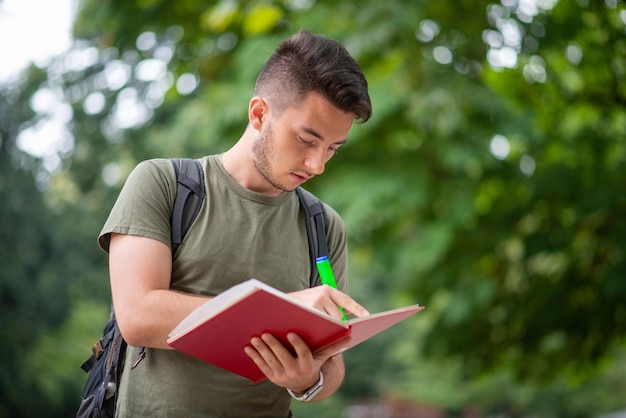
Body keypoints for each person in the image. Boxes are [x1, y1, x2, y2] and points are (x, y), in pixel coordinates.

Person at [98, 29, 372, 417]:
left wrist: (306, 381)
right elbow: (139, 316)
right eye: (307, 140)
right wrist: (281, 309)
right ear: (259, 113)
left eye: (332, 148)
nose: (318, 165)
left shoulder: (323, 226)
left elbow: (333, 365)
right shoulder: (164, 185)